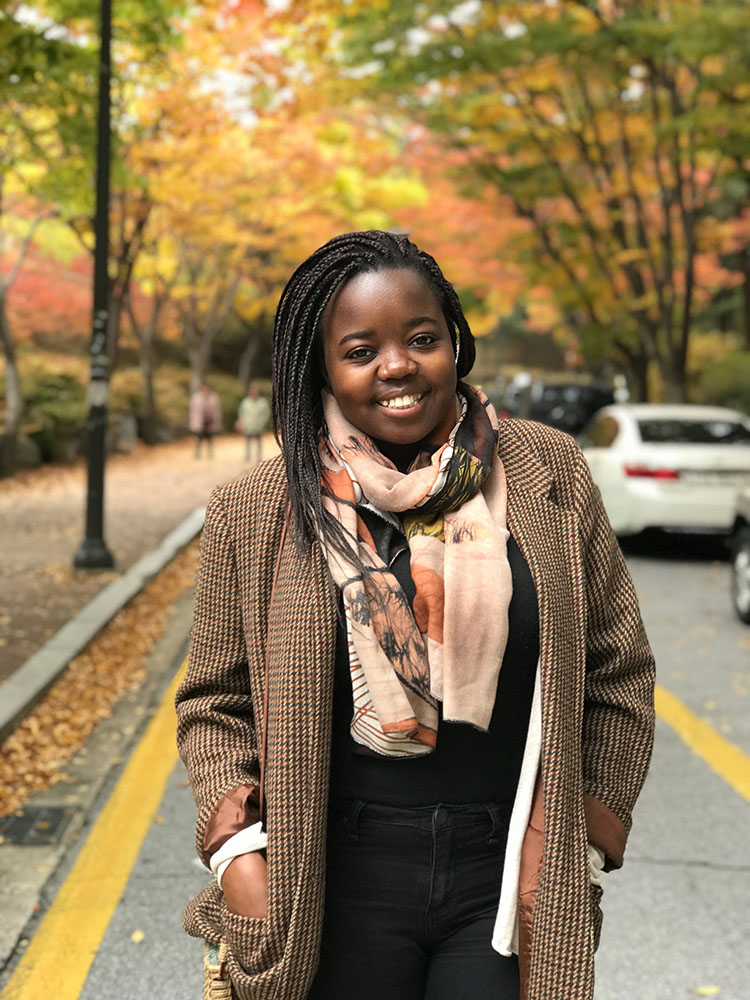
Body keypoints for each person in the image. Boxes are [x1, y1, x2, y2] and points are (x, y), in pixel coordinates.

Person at [176, 231, 655, 1000]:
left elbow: (619, 668)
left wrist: (586, 836)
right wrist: (239, 857)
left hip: (504, 872)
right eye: (361, 350)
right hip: (329, 879)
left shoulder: (550, 471)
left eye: (422, 339)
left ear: (454, 343)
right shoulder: (256, 506)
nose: (397, 366)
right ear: (322, 367)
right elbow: (214, 701)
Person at [235, 383, 271, 464]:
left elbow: (266, 413)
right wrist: (242, 422)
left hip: (258, 426)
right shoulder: (245, 402)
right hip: (248, 425)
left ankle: (259, 456)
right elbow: (241, 413)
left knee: (259, 441)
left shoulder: (263, 402)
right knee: (248, 441)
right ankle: (248, 456)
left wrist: (262, 422)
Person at [189, 382, 222, 458]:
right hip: (199, 421)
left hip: (210, 421)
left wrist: (217, 420)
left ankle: (210, 453)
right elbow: (193, 410)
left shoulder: (213, 398)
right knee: (199, 438)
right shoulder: (196, 398)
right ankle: (198, 453)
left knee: (210, 438)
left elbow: (217, 410)